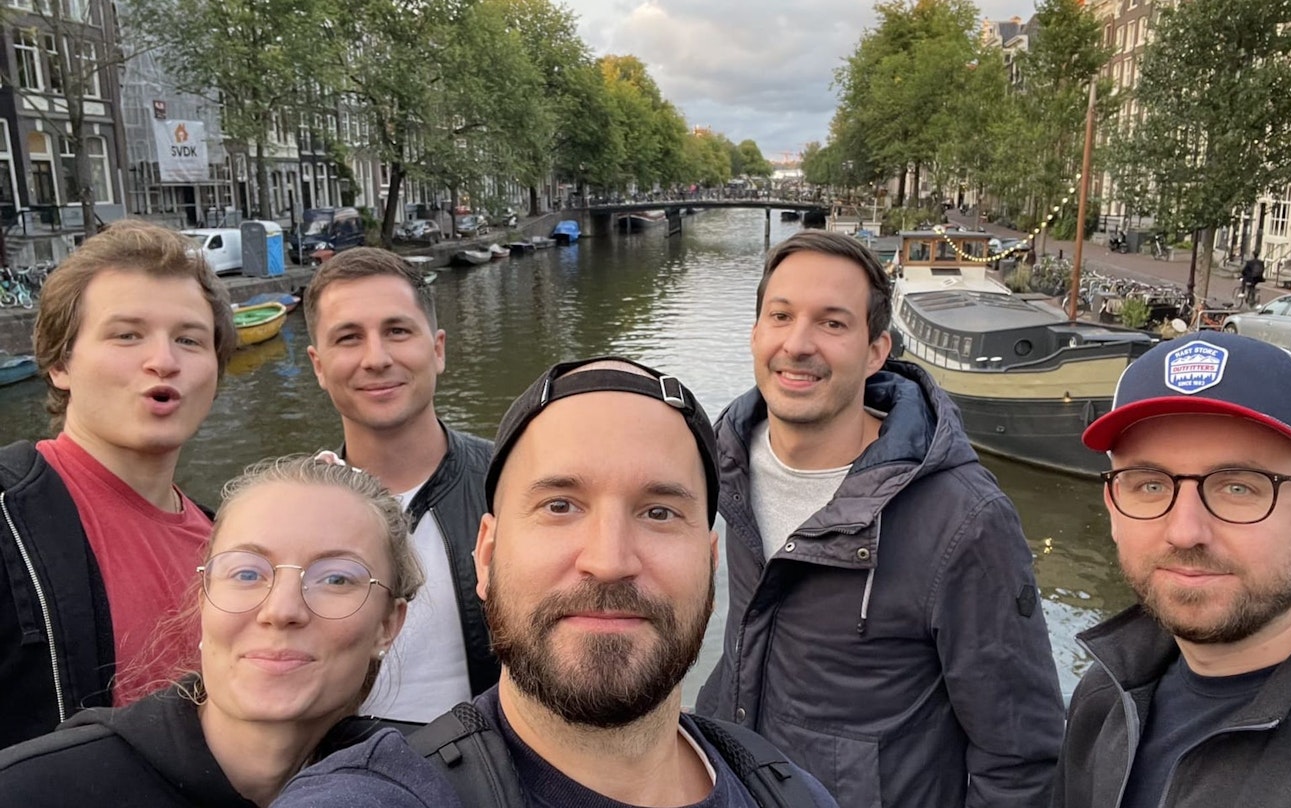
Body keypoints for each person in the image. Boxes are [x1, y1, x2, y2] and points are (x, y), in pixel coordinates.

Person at [273, 358, 838, 808]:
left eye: (659, 513)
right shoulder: (380, 793)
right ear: (487, 556)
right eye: (560, 505)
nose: (609, 561)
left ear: (710, 566)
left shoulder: (792, 793)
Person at [696, 230, 1065, 807]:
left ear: (875, 351)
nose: (798, 343)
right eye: (781, 316)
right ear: (755, 333)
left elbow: (1021, 758)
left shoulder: (964, 520)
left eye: (832, 323)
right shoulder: (719, 462)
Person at [0, 455, 421, 806]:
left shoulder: (419, 787)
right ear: (204, 600)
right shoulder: (31, 791)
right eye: (247, 573)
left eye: (335, 579)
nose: (281, 610)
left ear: (388, 625)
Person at [1056, 331, 1291, 807]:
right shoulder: (1105, 696)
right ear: (1113, 508)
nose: (1185, 531)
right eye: (1150, 485)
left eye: (1239, 487)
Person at [0, 220, 236, 749]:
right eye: (127, 335)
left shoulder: (230, 544)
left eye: (189, 340)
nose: (164, 361)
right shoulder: (7, 519)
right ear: (60, 363)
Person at [304, 247, 497, 723]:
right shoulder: (289, 513)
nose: (376, 358)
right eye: (349, 338)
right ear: (319, 366)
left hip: (490, 758)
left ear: (438, 349)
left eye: (397, 331)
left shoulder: (510, 485)